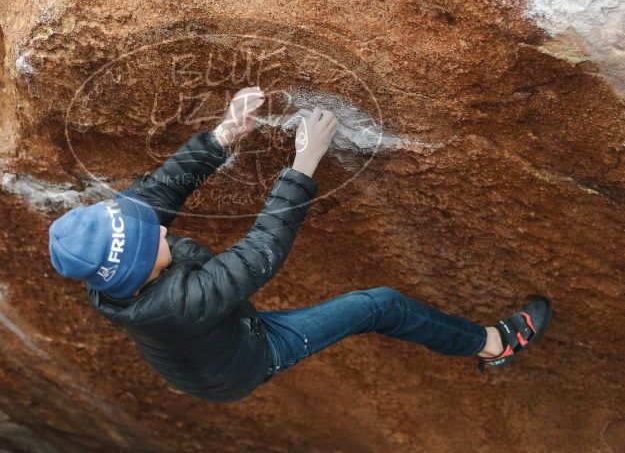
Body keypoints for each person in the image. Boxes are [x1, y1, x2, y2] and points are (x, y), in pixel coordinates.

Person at [48, 86, 552, 402]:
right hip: (240, 364)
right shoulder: (181, 304)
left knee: (161, 222)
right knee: (379, 304)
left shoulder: (114, 263)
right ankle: (495, 343)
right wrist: (304, 163)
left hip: (211, 338)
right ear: (139, 271)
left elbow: (159, 191)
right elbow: (262, 249)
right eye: (150, 236)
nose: (160, 227)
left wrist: (228, 131)